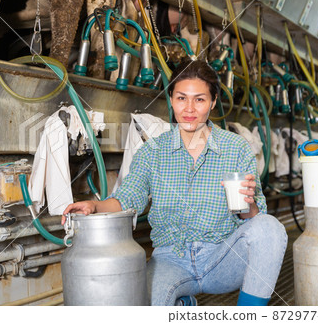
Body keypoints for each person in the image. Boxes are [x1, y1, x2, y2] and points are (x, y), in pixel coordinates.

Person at [62, 59, 287, 306]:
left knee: (270, 227)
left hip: (222, 257)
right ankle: (182, 305)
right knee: (146, 303)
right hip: (170, 260)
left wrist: (249, 204)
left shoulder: (236, 148)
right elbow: (127, 198)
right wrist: (94, 207)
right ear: (171, 99)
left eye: (199, 99)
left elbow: (255, 222)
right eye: (182, 98)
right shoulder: (152, 152)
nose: (189, 108)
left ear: (212, 102)